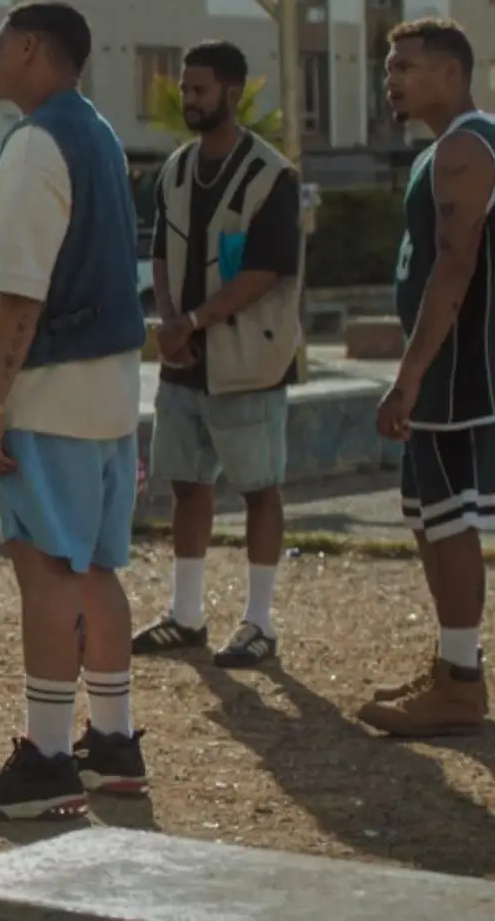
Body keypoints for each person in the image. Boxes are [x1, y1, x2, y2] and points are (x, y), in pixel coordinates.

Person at [0, 1, 149, 820]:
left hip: (50, 388)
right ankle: (115, 740)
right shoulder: (96, 133)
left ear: (30, 49)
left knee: (44, 568)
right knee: (95, 565)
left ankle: (50, 756)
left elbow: (20, 289)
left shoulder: (34, 145)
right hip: (111, 385)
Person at [132, 40, 304, 670]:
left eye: (201, 88)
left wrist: (195, 320)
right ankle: (186, 614)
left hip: (248, 359)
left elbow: (266, 270)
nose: (190, 98)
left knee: (260, 487)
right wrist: (173, 321)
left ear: (233, 93)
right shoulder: (176, 170)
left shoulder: (270, 176)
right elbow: (158, 248)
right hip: (186, 361)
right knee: (187, 482)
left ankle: (259, 623)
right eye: (186, 86)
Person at [363, 16, 495, 737]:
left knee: (449, 520)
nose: (393, 79)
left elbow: (456, 262)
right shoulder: (446, 149)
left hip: (457, 370)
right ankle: (452, 664)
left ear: (451, 72)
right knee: (427, 514)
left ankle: (461, 684)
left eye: (406, 66)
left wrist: (410, 377)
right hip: (448, 364)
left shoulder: (466, 149)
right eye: (390, 68)